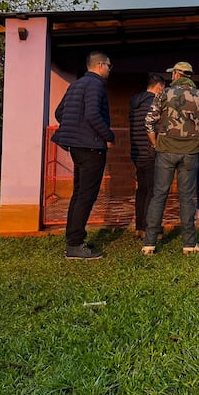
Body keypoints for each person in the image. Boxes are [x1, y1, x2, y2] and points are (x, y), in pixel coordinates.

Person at [142, 61, 199, 255]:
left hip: (166, 151)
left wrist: (154, 143)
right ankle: (189, 244)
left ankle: (149, 244)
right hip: (191, 153)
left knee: (159, 194)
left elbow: (149, 122)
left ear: (177, 74)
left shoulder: (164, 93)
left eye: (173, 74)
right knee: (187, 198)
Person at [51, 51, 115, 260]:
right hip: (91, 147)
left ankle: (73, 240)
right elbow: (93, 114)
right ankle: (76, 244)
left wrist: (75, 130)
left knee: (79, 194)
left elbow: (59, 113)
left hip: (76, 147)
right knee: (86, 196)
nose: (109, 70)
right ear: (100, 65)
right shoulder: (96, 85)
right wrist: (108, 135)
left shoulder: (77, 85)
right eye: (109, 66)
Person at [128, 73, 166, 236]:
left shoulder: (134, 103)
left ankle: (140, 227)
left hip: (137, 152)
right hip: (152, 151)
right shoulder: (155, 103)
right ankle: (152, 229)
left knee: (142, 190)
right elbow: (158, 128)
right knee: (153, 192)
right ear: (159, 87)